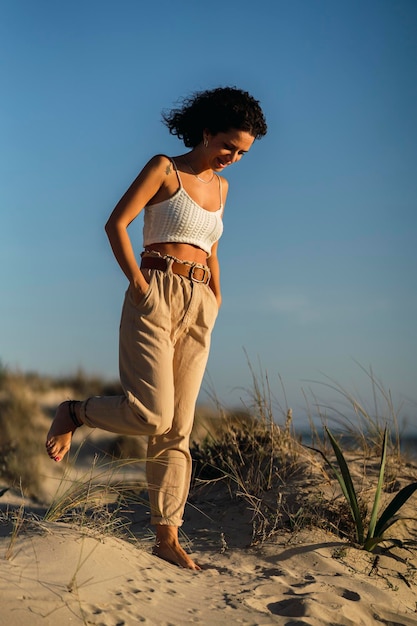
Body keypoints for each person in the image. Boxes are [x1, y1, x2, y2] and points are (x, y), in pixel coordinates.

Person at [46, 86, 267, 570]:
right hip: (156, 292)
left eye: (242, 152)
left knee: (178, 428)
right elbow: (116, 224)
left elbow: (210, 247)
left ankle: (167, 537)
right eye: (228, 145)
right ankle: (75, 412)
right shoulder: (165, 168)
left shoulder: (223, 188)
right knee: (152, 414)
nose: (233, 157)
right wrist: (141, 285)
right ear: (207, 132)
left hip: (200, 302)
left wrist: (216, 296)